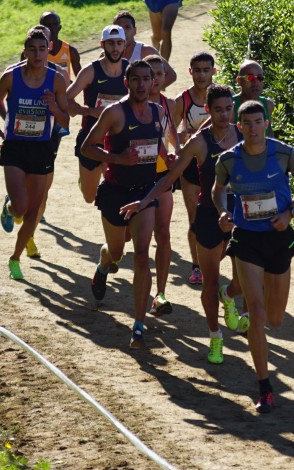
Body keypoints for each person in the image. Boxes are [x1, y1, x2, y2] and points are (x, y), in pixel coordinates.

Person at [121, 84, 248, 364]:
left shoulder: (242, 134)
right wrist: (143, 201)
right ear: (209, 111)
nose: (225, 114)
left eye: (229, 109)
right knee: (210, 281)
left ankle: (229, 297)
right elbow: (168, 178)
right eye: (218, 110)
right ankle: (215, 337)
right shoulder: (199, 142)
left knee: (243, 282)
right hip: (208, 215)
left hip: (241, 213)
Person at [212, 100, 294, 413]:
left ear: (266, 123)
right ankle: (264, 386)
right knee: (255, 312)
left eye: (258, 121)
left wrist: (291, 212)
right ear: (238, 126)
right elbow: (218, 190)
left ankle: (238, 299)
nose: (253, 128)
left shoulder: (284, 153)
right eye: (247, 123)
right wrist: (224, 212)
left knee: (275, 318)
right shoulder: (229, 159)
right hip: (246, 239)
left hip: (278, 237)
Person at [81, 60, 167, 349]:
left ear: (154, 82)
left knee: (142, 255)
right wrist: (118, 159)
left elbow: (159, 146)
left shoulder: (157, 112)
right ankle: (104, 263)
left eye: (148, 79)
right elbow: (87, 147)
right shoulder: (114, 112)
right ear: (127, 83)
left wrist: (170, 158)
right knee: (117, 251)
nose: (143, 84)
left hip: (144, 194)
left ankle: (139, 324)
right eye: (137, 79)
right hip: (116, 193)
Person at [0, 27, 69, 280]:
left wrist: (53, 106)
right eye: (32, 49)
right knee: (21, 208)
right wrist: (0, 129)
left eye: (42, 49)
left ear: (48, 51)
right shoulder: (11, 76)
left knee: (34, 214)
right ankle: (10, 206)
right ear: (25, 52)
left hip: (41, 148)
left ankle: (15, 259)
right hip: (14, 146)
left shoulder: (56, 79)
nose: (37, 54)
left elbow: (65, 119)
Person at [67, 25, 129, 204]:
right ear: (102, 44)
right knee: (89, 197)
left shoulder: (131, 71)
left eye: (119, 43)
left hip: (118, 138)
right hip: (91, 138)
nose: (115, 48)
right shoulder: (91, 71)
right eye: (111, 43)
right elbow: (66, 100)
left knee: (119, 190)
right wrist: (89, 111)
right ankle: (87, 181)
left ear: (125, 44)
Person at [175, 51, 216, 285]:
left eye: (206, 70)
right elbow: (172, 130)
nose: (201, 75)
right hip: (191, 168)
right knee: (195, 219)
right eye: (197, 70)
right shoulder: (184, 99)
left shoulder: (220, 96)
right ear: (190, 72)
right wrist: (182, 143)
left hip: (218, 166)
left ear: (213, 71)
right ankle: (197, 266)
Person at [145, 54, 180, 315]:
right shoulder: (129, 105)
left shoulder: (169, 104)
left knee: (163, 233)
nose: (156, 79)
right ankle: (105, 263)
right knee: (125, 241)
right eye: (150, 74)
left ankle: (160, 294)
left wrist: (177, 155)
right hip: (131, 178)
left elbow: (172, 135)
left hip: (161, 175)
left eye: (160, 74)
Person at [113, 10, 176, 88]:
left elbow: (171, 75)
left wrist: (148, 94)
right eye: (119, 29)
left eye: (127, 27)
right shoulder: (107, 54)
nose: (124, 32)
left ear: (134, 31)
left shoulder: (146, 51)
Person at [233, 60, 274, 137]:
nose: (255, 82)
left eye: (259, 78)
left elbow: (270, 135)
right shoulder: (229, 106)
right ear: (239, 80)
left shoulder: (268, 105)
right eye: (250, 77)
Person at [40, 11, 81, 78]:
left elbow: (81, 80)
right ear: (40, 28)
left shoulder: (71, 51)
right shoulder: (32, 52)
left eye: (54, 24)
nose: (51, 27)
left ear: (59, 27)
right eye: (47, 24)